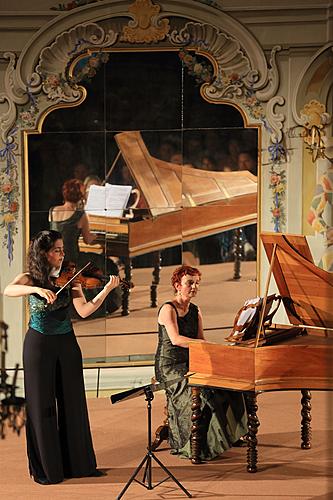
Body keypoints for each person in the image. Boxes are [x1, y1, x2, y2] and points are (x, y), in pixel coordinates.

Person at [3, 230, 120, 485]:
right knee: (42, 405)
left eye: (62, 249)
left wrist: (106, 290)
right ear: (43, 253)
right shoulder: (29, 278)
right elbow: (7, 290)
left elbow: (84, 311)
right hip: (39, 345)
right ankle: (48, 469)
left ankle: (79, 465)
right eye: (57, 250)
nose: (62, 254)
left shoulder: (71, 277)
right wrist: (36, 289)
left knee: (72, 403)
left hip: (67, 343)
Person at [154, 265, 248, 460]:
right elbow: (176, 340)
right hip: (169, 366)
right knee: (203, 392)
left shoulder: (196, 310)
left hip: (191, 361)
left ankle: (228, 435)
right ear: (177, 285)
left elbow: (199, 339)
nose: (194, 287)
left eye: (197, 283)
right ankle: (195, 444)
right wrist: (206, 344)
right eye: (190, 283)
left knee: (228, 386)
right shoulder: (167, 309)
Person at [49, 178, 121, 314]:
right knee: (107, 264)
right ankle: (104, 306)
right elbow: (88, 240)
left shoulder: (52, 211)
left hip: (55, 259)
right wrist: (100, 237)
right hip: (72, 260)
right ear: (81, 197)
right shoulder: (80, 215)